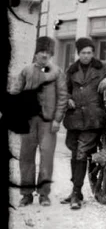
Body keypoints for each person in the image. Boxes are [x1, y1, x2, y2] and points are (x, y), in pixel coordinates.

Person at [60, 37, 106, 210]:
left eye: (89, 53)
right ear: (78, 54)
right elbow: (63, 89)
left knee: (81, 153)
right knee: (73, 149)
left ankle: (76, 193)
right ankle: (75, 190)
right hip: (75, 117)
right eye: (83, 53)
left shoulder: (101, 68)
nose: (86, 56)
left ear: (93, 53)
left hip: (93, 118)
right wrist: (68, 98)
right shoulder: (71, 70)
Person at [12, 36, 68, 207]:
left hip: (48, 123)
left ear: (51, 55)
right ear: (36, 54)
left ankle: (43, 194)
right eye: (41, 52)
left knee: (47, 158)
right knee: (26, 158)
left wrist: (58, 119)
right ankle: (26, 194)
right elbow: (15, 93)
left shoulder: (57, 72)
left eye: (48, 53)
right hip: (28, 122)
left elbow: (63, 97)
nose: (44, 55)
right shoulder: (26, 71)